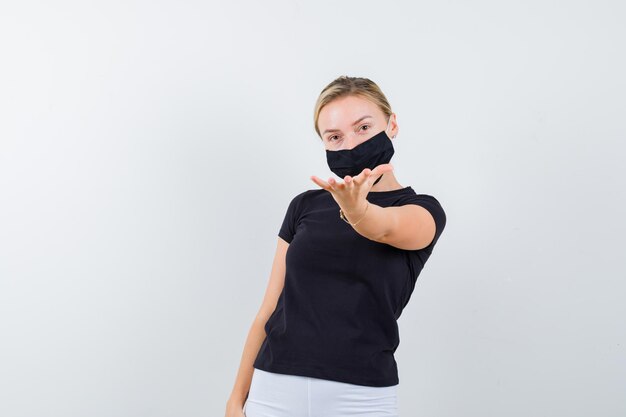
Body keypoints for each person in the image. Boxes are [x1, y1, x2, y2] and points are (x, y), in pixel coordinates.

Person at [225, 76, 447, 417]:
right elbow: (268, 309)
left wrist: (357, 210)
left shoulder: (422, 210)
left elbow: (386, 228)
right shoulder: (305, 206)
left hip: (362, 399)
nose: (351, 144)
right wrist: (236, 400)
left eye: (363, 127)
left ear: (392, 124)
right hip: (273, 389)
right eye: (334, 137)